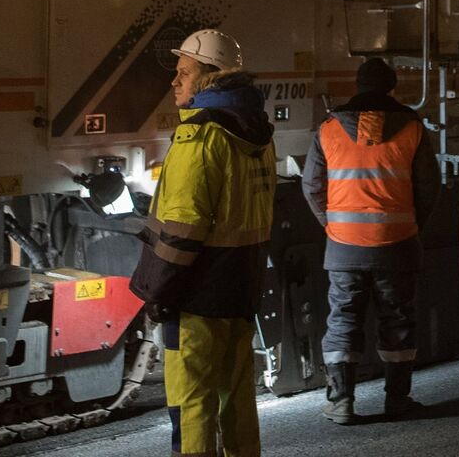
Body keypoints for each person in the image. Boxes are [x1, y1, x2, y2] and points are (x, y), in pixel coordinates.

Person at [130, 29, 275, 457]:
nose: (175, 82)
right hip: (240, 287)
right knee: (237, 401)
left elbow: (180, 232)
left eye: (184, 72)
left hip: (196, 296)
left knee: (191, 405)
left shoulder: (199, 136)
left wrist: (157, 291)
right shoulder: (260, 134)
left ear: (209, 77)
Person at [301, 56, 441, 425]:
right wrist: (411, 226)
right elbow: (429, 187)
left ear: (358, 87)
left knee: (344, 319)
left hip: (344, 245)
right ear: (392, 88)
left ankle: (342, 402)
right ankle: (397, 399)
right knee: (397, 321)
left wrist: (331, 225)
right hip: (398, 244)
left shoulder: (329, 129)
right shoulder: (412, 128)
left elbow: (311, 185)